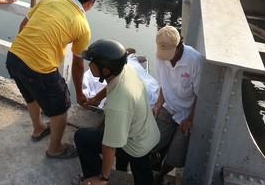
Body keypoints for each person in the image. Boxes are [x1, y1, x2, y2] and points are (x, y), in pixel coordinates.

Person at [6, 0, 99, 158]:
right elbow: (78, 64)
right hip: (39, 67)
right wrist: (79, 93)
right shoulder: (82, 25)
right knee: (61, 107)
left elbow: (23, 26)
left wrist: (25, 52)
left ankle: (38, 128)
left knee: (30, 95)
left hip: (14, 57)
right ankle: (55, 149)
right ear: (90, 3)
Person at [74, 40, 160, 185]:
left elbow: (109, 145)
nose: (89, 65)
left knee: (82, 138)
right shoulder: (125, 70)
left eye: (92, 63)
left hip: (134, 145)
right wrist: (96, 99)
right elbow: (111, 85)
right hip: (148, 133)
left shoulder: (117, 105)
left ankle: (93, 178)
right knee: (142, 172)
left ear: (105, 69)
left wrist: (104, 178)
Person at [153, 26, 204, 181]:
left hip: (187, 113)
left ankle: (160, 175)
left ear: (179, 46)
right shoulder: (161, 57)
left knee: (176, 155)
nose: (167, 58)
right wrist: (158, 104)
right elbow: (163, 83)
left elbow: (200, 95)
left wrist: (190, 119)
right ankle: (156, 160)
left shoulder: (195, 61)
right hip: (169, 105)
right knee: (153, 141)